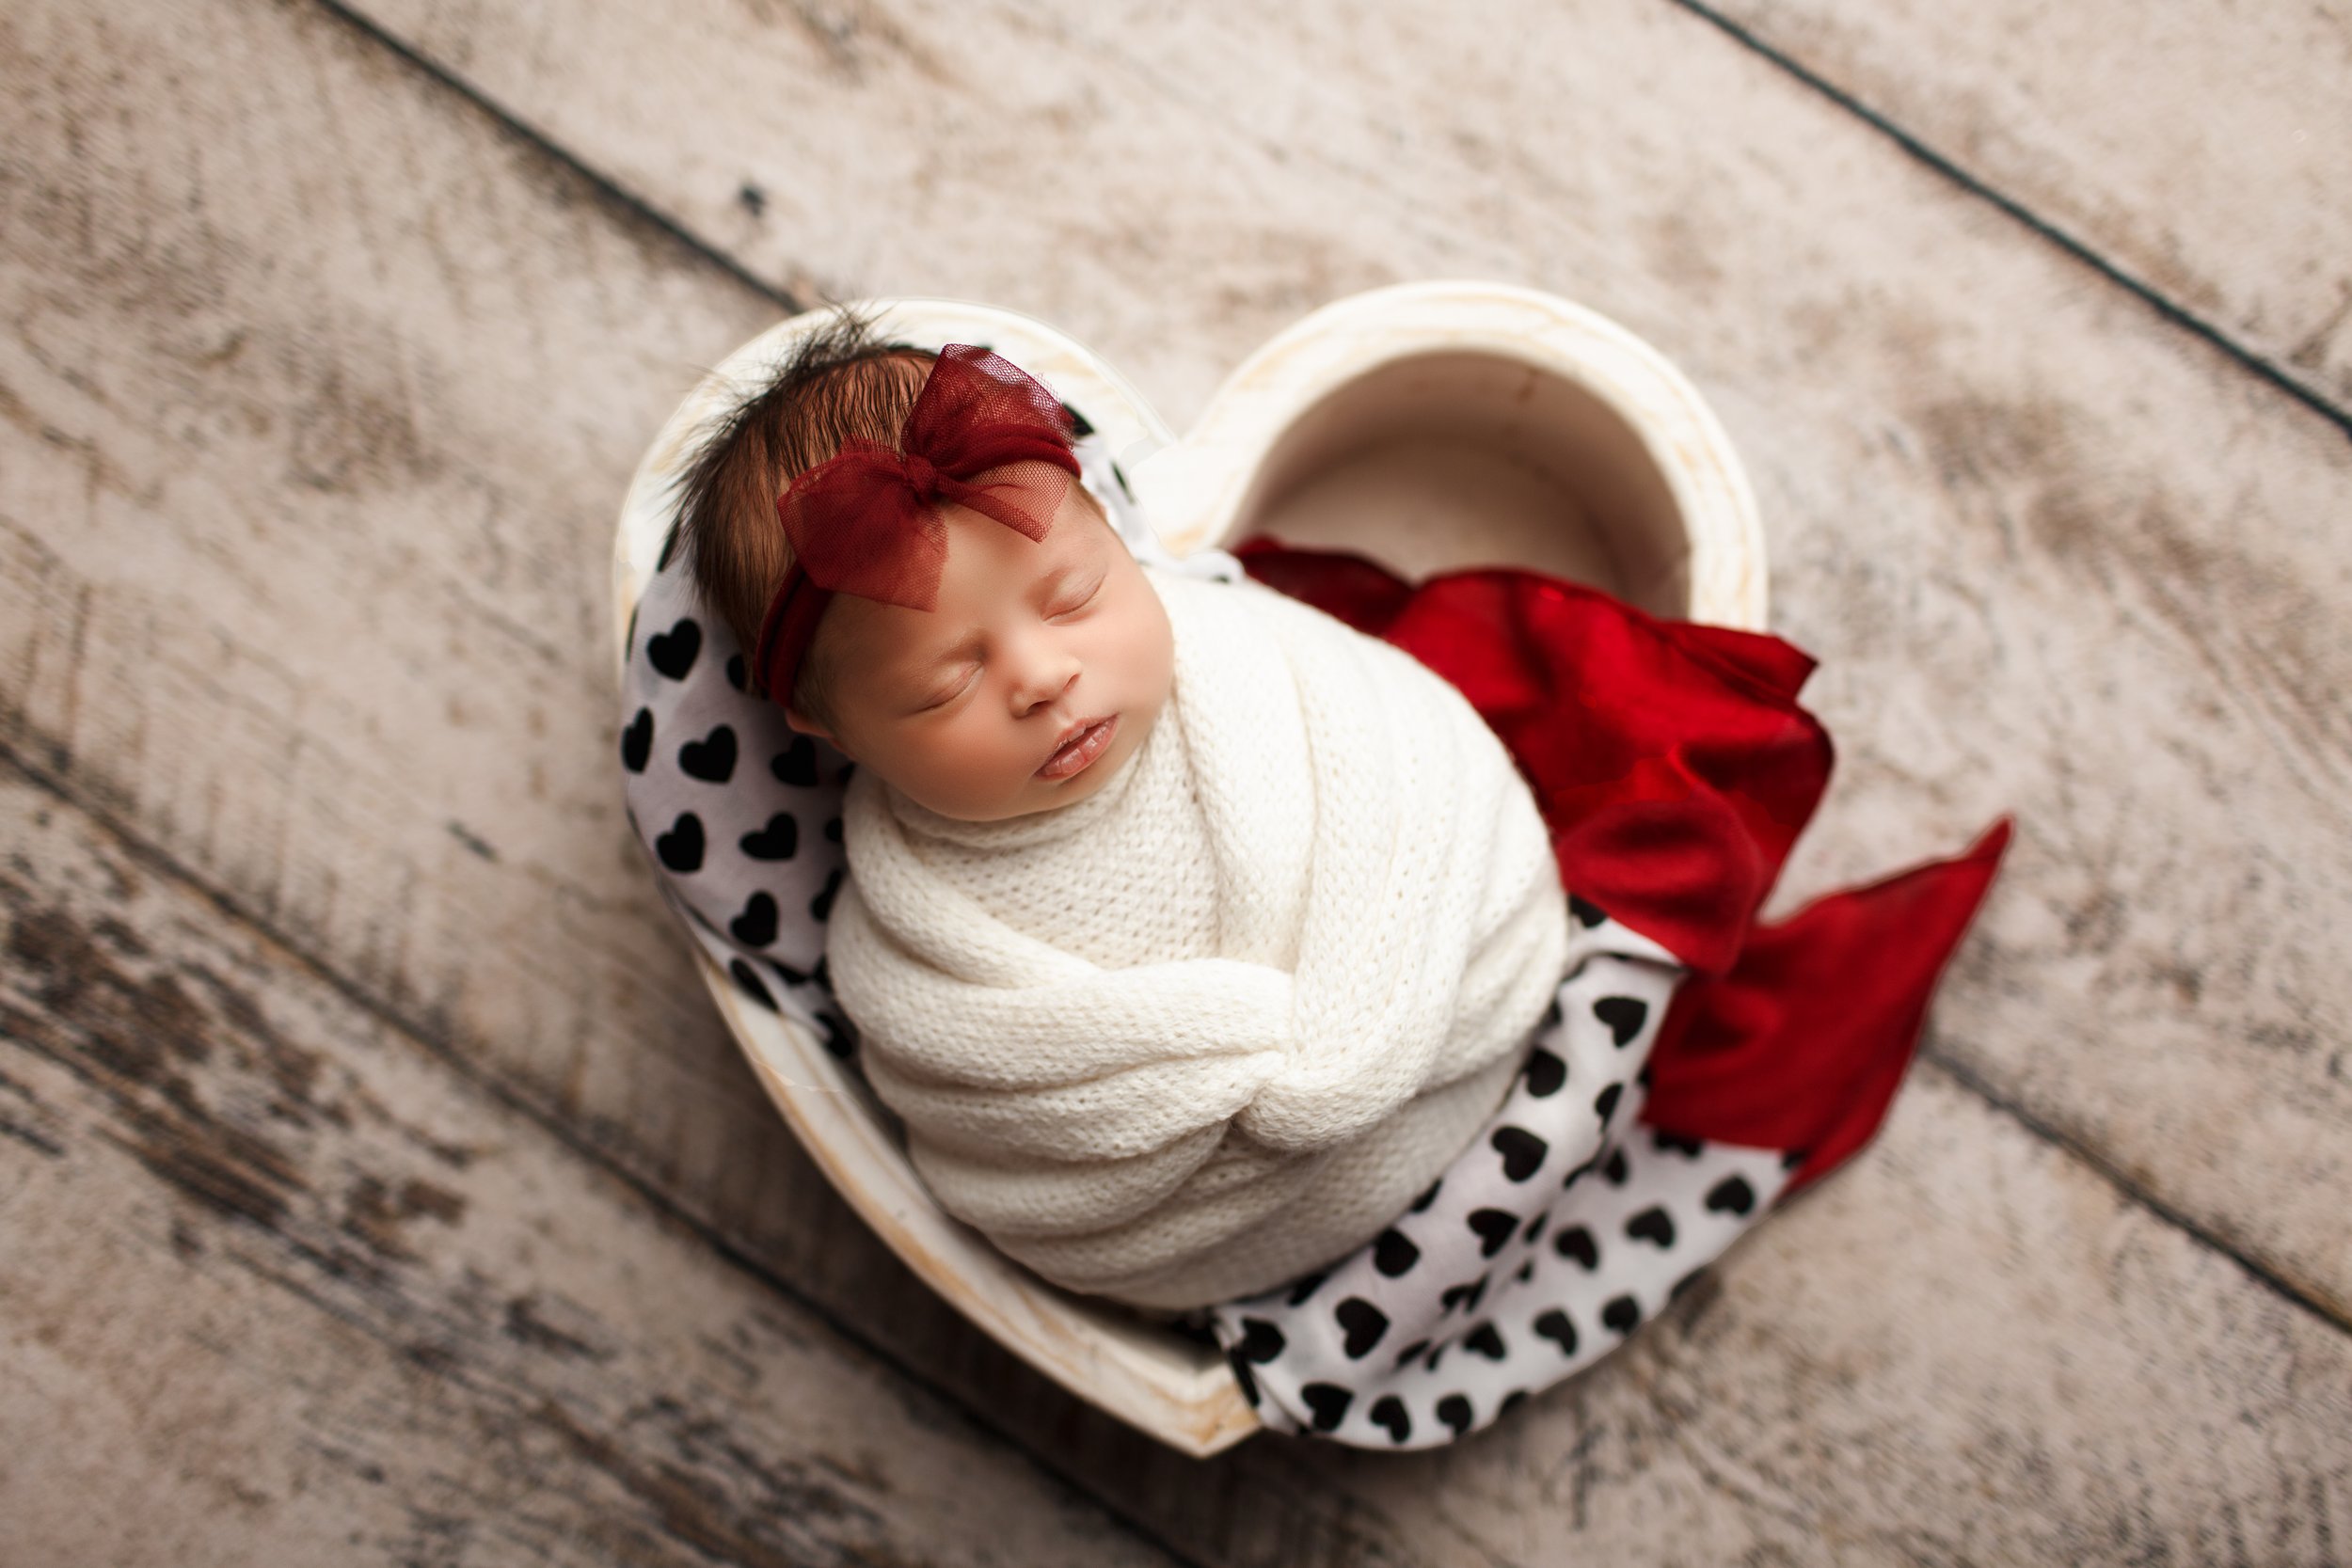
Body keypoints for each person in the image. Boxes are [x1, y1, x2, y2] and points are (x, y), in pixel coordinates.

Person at [673, 305, 2010, 1448]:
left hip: (1469, 1018)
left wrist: (1364, 1030)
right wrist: (1261, 1079)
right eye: (943, 683)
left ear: (1118, 539)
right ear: (830, 733)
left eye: (1074, 593)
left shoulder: (1258, 658)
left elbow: (1414, 763)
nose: (1038, 676)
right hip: (1231, 1232)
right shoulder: (907, 920)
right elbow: (966, 1082)